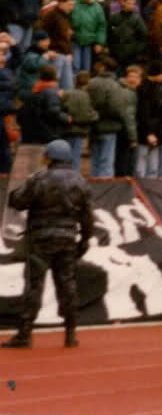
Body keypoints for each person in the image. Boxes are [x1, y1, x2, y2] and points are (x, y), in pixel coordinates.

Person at [3, 139, 94, 348]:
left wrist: (16, 190)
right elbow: (88, 216)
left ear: (50, 157)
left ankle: (25, 333)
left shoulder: (39, 178)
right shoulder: (81, 181)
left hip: (40, 239)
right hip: (67, 239)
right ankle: (70, 332)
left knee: (35, 285)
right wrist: (85, 239)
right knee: (67, 284)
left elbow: (18, 201)